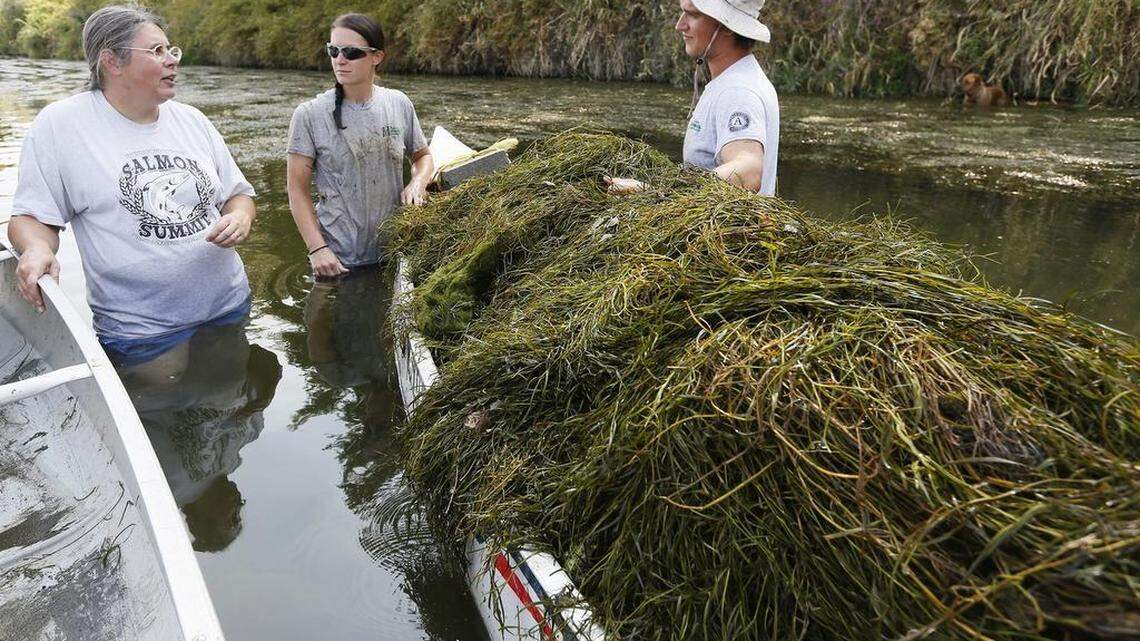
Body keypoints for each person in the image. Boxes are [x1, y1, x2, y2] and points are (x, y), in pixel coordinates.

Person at [9, 5, 257, 369]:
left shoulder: (192, 120)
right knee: (165, 402)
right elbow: (32, 218)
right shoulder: (61, 125)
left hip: (227, 307)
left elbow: (238, 195)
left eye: (171, 49)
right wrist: (35, 248)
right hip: (143, 332)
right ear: (112, 61)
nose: (172, 60)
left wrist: (240, 216)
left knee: (226, 391)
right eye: (157, 51)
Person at [286, 13, 434, 278]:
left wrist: (418, 183)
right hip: (338, 262)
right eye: (334, 51)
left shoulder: (398, 103)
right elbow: (297, 189)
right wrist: (317, 249)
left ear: (377, 57)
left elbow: (422, 156)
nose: (340, 60)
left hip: (395, 252)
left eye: (351, 52)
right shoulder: (309, 115)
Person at [607, 0, 779, 195]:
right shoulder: (737, 79)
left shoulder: (738, 91)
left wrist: (656, 192)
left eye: (693, 15)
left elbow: (750, 170)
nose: (680, 25)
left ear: (726, 26)